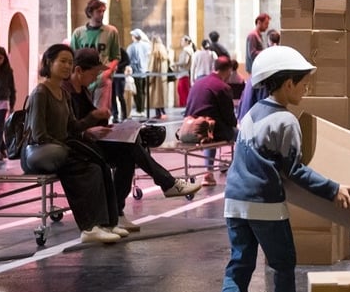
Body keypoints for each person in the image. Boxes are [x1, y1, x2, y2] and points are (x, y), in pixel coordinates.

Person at [213, 45, 350, 292]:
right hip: (266, 205)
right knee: (283, 264)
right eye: (304, 84)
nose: (307, 89)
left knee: (240, 262)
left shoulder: (251, 112)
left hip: (234, 202)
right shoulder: (287, 121)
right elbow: (294, 171)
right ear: (288, 84)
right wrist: (333, 188)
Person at [63, 48, 202, 232]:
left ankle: (117, 213)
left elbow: (89, 123)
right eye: (94, 72)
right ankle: (165, 184)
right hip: (77, 147)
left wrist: (104, 124)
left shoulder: (83, 91)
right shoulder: (65, 92)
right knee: (127, 148)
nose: (96, 76)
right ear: (79, 70)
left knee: (127, 150)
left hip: (89, 143)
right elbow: (68, 129)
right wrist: (90, 126)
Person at [23, 44, 124, 244]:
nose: (67, 66)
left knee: (99, 165)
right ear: (49, 63)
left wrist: (92, 117)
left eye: (70, 62)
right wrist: (68, 148)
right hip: (40, 154)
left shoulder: (64, 93)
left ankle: (107, 223)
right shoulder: (41, 93)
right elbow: (38, 134)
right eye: (62, 61)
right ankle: (89, 227)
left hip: (59, 150)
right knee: (84, 170)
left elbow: (73, 127)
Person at [186, 55, 240, 186]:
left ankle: (208, 172)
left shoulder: (197, 83)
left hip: (190, 129)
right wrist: (236, 125)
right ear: (228, 70)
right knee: (241, 136)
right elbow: (229, 118)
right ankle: (242, 170)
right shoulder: (223, 87)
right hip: (210, 130)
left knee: (210, 131)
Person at [69, 0, 121, 113]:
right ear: (90, 12)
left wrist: (107, 73)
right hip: (83, 79)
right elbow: (73, 56)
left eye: (103, 11)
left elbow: (116, 57)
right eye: (99, 11)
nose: (101, 14)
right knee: (82, 112)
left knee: (101, 112)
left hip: (102, 78)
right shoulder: (78, 33)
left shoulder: (111, 31)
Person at [126, 28, 151, 115]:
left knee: (137, 91)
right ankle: (142, 109)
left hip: (136, 71)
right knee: (143, 91)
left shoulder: (131, 47)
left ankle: (139, 110)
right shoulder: (146, 45)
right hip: (145, 71)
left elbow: (128, 59)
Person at [147, 36, 172, 119]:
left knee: (156, 97)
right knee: (161, 96)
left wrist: (149, 78)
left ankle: (158, 113)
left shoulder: (155, 53)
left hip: (156, 79)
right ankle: (163, 112)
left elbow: (152, 67)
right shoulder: (164, 51)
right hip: (163, 78)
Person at [174, 36, 196, 108]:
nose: (181, 42)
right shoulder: (189, 50)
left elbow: (184, 61)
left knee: (183, 91)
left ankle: (185, 107)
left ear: (186, 42)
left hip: (184, 73)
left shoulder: (186, 50)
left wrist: (176, 64)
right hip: (185, 73)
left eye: (182, 41)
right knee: (183, 91)